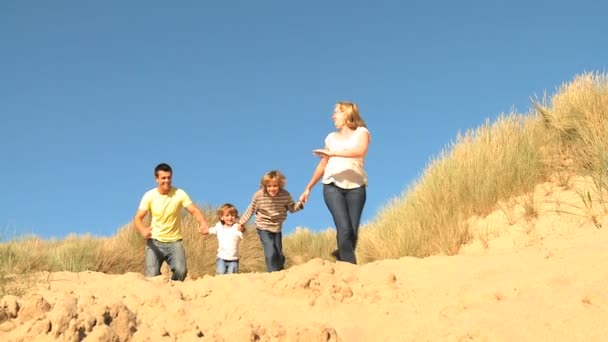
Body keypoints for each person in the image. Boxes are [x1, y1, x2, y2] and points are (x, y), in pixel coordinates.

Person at [299, 101, 370, 264]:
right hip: (332, 187)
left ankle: (342, 256)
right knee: (344, 228)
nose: (333, 116)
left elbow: (360, 151)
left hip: (357, 188)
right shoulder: (330, 138)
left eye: (336, 112)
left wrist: (332, 153)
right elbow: (323, 164)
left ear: (346, 114)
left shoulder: (362, 132)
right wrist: (308, 188)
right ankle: (350, 269)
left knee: (352, 233)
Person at [133, 162, 209, 281]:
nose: (167, 181)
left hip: (174, 241)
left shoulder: (179, 193)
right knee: (151, 276)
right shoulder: (149, 196)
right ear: (156, 179)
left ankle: (173, 291)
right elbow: (137, 218)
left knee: (181, 271)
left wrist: (203, 223)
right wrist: (143, 230)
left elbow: (194, 210)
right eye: (163, 178)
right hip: (155, 241)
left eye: (169, 177)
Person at [239, 170, 303, 272]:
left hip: (277, 227)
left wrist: (300, 203)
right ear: (264, 186)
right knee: (270, 251)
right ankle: (272, 274)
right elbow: (251, 209)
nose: (272, 189)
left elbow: (292, 208)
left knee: (278, 253)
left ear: (280, 185)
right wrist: (241, 223)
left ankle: (280, 270)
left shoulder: (285, 195)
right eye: (269, 186)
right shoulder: (259, 195)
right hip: (263, 226)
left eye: (275, 186)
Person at [202, 203, 244, 275]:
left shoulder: (236, 227)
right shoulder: (219, 226)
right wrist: (206, 231)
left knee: (232, 277)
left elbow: (243, 233)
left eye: (232, 215)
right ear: (222, 217)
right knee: (220, 274)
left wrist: (242, 229)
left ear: (236, 217)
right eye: (227, 215)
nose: (230, 218)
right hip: (221, 257)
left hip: (233, 259)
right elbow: (213, 230)